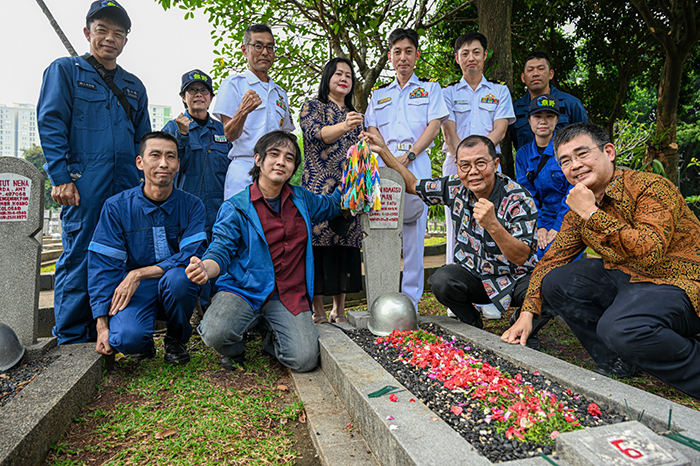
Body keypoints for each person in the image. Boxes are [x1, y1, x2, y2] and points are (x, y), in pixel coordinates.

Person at [502, 123, 700, 398]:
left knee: (619, 328)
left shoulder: (650, 187)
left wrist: (592, 214)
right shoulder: (579, 211)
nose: (575, 165)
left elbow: (650, 251)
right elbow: (550, 261)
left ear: (609, 152)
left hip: (678, 283)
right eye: (566, 161)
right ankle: (618, 361)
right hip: (630, 282)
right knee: (556, 281)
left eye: (582, 154)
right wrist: (527, 313)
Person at [37, 0, 151, 345]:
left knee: (122, 254)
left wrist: (143, 183)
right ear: (88, 33)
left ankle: (112, 328)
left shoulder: (134, 86)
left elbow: (141, 141)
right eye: (102, 30)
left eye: (118, 33)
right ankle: (72, 336)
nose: (109, 38)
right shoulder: (66, 71)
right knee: (80, 255)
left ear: (125, 41)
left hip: (126, 185)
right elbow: (51, 123)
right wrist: (60, 176)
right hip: (84, 184)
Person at [186, 131, 344, 372]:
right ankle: (237, 347)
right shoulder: (236, 207)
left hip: (288, 295)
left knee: (303, 360)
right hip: (244, 290)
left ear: (293, 168)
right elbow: (220, 250)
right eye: (274, 154)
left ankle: (270, 333)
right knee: (215, 333)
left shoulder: (302, 200)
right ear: (258, 160)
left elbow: (333, 205)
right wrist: (205, 269)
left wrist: (357, 174)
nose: (281, 161)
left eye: (289, 158)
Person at [363, 132, 538, 329]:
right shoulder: (454, 187)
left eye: (481, 163)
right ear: (457, 167)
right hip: (476, 278)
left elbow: (522, 255)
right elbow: (413, 185)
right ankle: (472, 324)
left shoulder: (518, 198)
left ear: (495, 164)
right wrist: (383, 150)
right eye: (465, 166)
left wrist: (493, 225)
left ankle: (524, 327)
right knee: (442, 280)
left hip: (514, 278)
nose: (473, 172)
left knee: (545, 289)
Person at [88, 132, 206, 364]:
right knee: (125, 339)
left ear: (178, 164)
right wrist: (102, 326)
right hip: (136, 290)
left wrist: (140, 272)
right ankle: (143, 342)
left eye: (170, 157)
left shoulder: (192, 206)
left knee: (181, 278)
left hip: (173, 284)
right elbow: (102, 266)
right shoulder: (116, 208)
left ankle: (175, 340)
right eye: (155, 155)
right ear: (140, 163)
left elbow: (192, 256)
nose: (163, 163)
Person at [365, 28, 449, 310]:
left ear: (417, 55)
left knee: (414, 230)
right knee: (383, 227)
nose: (403, 57)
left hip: (417, 161)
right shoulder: (378, 95)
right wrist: (388, 158)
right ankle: (382, 297)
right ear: (390, 57)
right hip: (382, 166)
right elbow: (372, 128)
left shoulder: (430, 89)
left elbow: (434, 125)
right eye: (397, 52)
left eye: (408, 51)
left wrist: (409, 155)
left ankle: (410, 301)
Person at [441, 32, 516, 319]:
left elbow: (500, 129)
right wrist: (465, 161)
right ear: (457, 58)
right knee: (456, 229)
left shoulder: (498, 92)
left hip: (489, 168)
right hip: (456, 166)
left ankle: (492, 296)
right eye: (464, 53)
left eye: (475, 52)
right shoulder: (447, 93)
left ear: (485, 55)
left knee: (492, 225)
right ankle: (453, 295)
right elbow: (449, 131)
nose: (470, 58)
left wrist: (482, 159)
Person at [300, 57, 364, 324]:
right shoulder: (312, 107)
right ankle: (318, 310)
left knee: (345, 246)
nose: (344, 79)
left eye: (349, 75)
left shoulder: (356, 114)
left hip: (349, 190)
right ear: (327, 77)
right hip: (319, 187)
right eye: (338, 73)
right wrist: (346, 126)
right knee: (318, 247)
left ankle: (339, 308)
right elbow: (317, 135)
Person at [212, 23, 295, 199]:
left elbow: (285, 135)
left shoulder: (280, 93)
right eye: (258, 46)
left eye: (270, 47)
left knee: (272, 225)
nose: (265, 52)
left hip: (275, 173)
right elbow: (227, 135)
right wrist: (244, 110)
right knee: (242, 224)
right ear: (244, 50)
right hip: (245, 170)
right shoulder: (233, 84)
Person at [162, 69, 231, 238]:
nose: (198, 95)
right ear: (183, 97)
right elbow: (169, 169)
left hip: (221, 214)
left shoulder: (224, 129)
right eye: (192, 90)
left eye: (204, 91)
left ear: (211, 98)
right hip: (185, 214)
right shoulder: (172, 129)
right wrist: (182, 135)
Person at [515, 94, 571, 259]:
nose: (543, 121)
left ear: (556, 120)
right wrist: (539, 227)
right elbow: (527, 195)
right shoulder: (523, 155)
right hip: (540, 217)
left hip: (568, 217)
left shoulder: (567, 150)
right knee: (531, 256)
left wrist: (557, 227)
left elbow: (573, 191)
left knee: (554, 257)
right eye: (537, 116)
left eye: (549, 116)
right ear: (530, 120)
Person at [510, 52, 588, 151]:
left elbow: (585, 139)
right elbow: (516, 143)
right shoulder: (516, 108)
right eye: (530, 70)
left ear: (551, 74)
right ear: (523, 77)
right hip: (529, 165)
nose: (535, 74)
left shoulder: (571, 103)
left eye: (541, 69)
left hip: (564, 164)